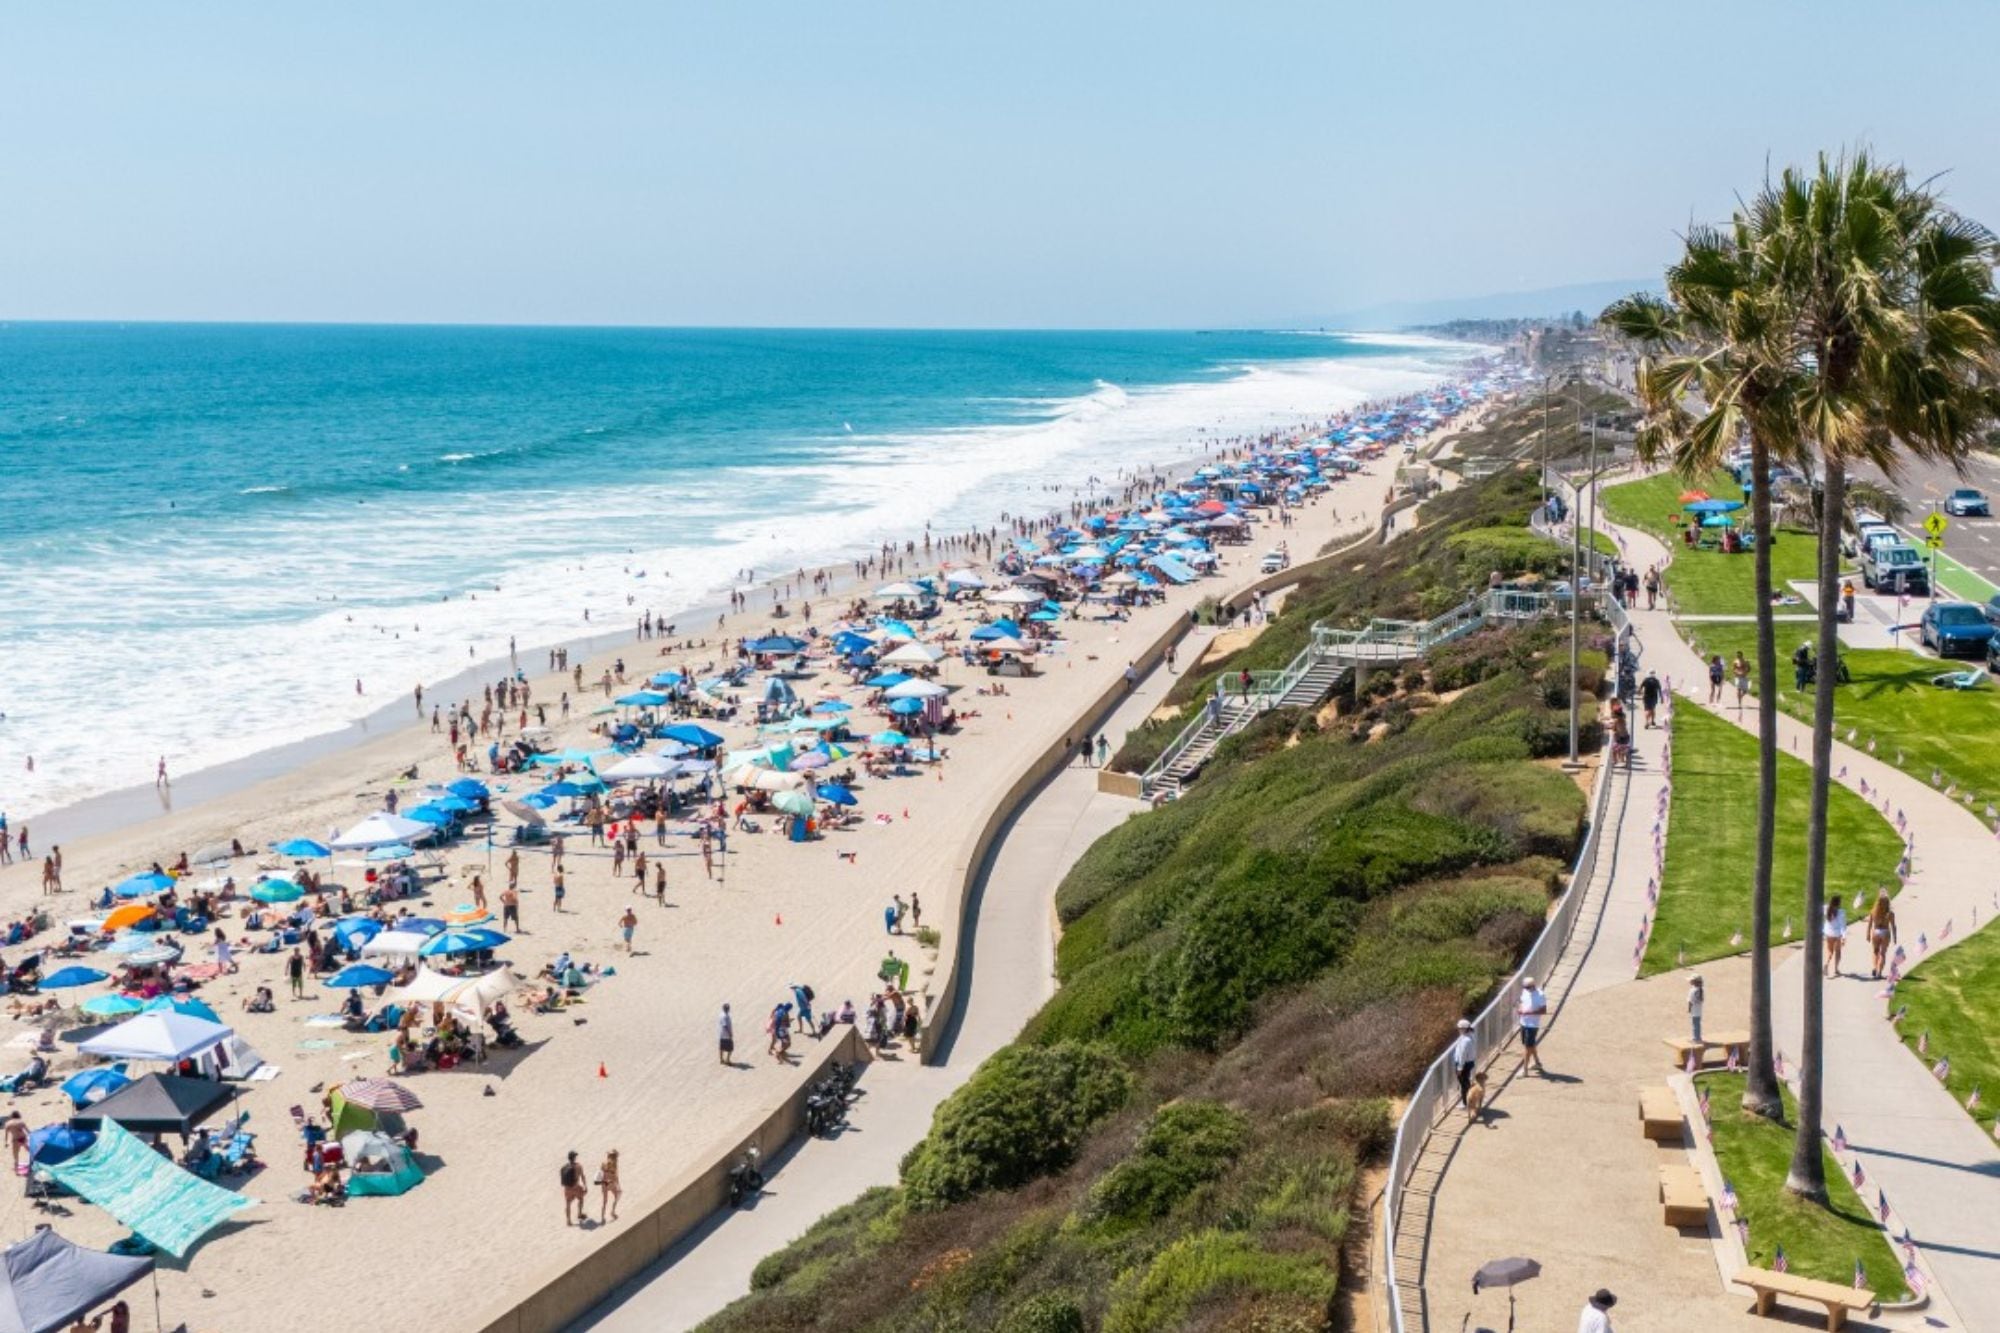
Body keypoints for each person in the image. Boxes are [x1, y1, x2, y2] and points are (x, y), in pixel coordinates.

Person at [1517, 976, 1547, 1075]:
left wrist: (1528, 1013)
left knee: (1527, 1047)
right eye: (1525, 987)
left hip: (1532, 1024)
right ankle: (1537, 1062)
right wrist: (1520, 1009)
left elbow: (1543, 1010)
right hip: (1523, 1022)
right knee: (1530, 1045)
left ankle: (1525, 1070)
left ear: (1533, 985)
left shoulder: (1540, 995)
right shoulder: (1525, 991)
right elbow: (1521, 1002)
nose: (1526, 989)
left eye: (1527, 987)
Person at [1867, 888, 1897, 979]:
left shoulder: (1873, 911)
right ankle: (1879, 972)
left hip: (1876, 932)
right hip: (1885, 932)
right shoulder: (1890, 913)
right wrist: (1895, 937)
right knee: (1883, 953)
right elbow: (1893, 926)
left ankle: (1875, 968)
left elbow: (1869, 924)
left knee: (1875, 951)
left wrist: (1868, 934)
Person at [1450, 1019, 1476, 1107]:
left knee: (1464, 1084)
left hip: (1464, 1064)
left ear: (1464, 1029)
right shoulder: (1470, 1036)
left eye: (1460, 1028)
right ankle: (1469, 1101)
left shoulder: (1465, 1040)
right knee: (1466, 1082)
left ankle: (1466, 1103)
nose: (1458, 1030)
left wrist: (1459, 1068)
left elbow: (1462, 1055)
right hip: (1469, 1063)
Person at [560, 1150, 588, 1225]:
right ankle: (579, 1214)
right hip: (575, 1187)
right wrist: (585, 1186)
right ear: (574, 1158)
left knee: (568, 1203)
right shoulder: (578, 1166)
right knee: (581, 1199)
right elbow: (582, 1176)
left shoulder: (564, 1167)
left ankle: (568, 1221)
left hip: (567, 1188)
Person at [1823, 897, 1847, 978]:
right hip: (1837, 934)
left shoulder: (1826, 908)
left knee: (1830, 951)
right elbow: (1843, 926)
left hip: (1828, 933)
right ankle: (1836, 969)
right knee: (1838, 952)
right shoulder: (1841, 912)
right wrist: (1844, 937)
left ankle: (1826, 964)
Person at [597, 1149, 622, 1223]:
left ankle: (602, 1218)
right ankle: (613, 1212)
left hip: (604, 1184)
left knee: (604, 1201)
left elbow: (600, 1175)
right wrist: (618, 1186)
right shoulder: (614, 1164)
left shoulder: (603, 1163)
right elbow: (616, 1177)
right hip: (611, 1184)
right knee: (617, 1195)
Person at [1686, 973, 1704, 1044]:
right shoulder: (1701, 989)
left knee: (1695, 1025)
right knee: (1697, 1024)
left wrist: (1689, 1009)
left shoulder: (1692, 990)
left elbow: (1690, 1001)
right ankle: (1697, 1037)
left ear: (1694, 982)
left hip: (1694, 1010)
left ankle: (1696, 1039)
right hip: (1699, 1010)